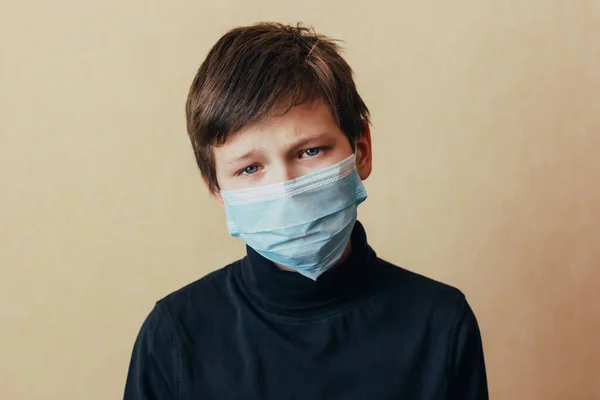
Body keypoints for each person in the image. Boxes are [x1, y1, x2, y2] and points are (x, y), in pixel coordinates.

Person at [124, 22, 488, 399]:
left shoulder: (440, 323)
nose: (286, 189)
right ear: (217, 189)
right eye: (250, 168)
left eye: (310, 151)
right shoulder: (174, 337)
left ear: (361, 149)